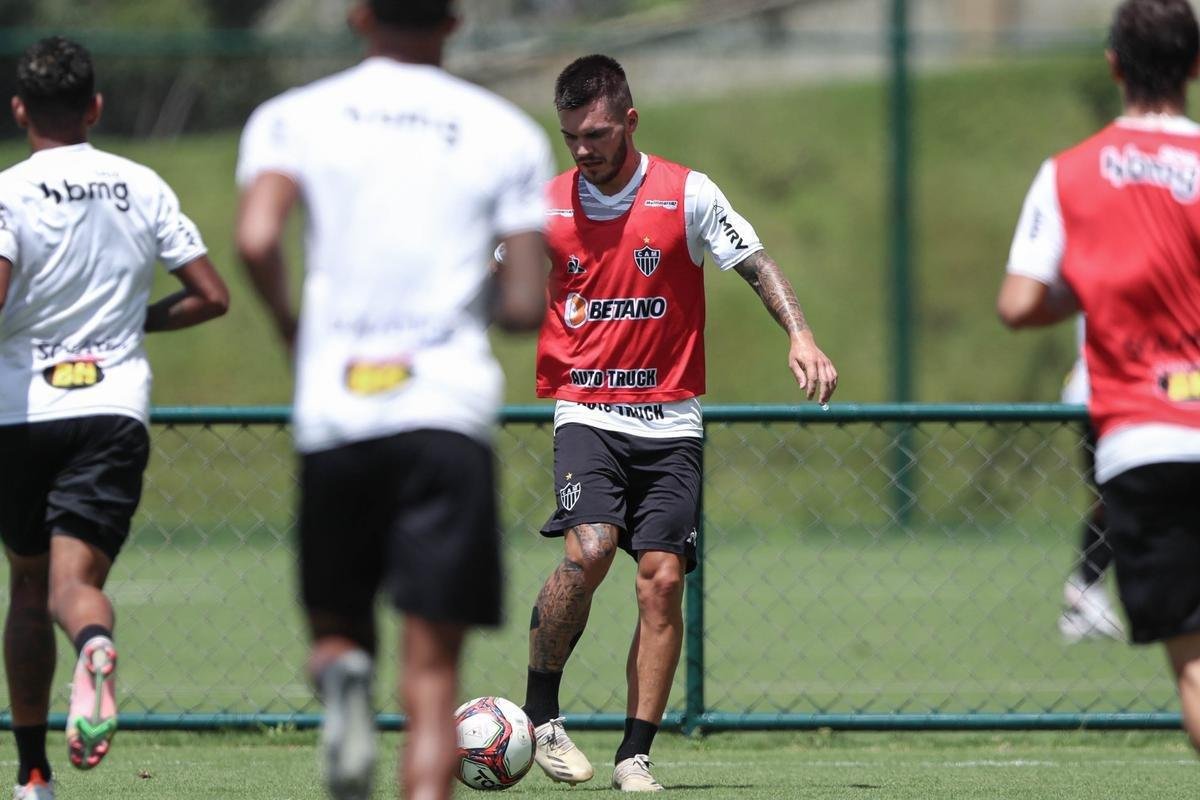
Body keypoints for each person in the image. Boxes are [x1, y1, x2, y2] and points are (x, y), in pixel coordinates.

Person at [234, 2, 551, 798]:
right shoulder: (504, 132)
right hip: (445, 415)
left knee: (339, 630)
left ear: (359, 17)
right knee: (433, 676)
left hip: (339, 412)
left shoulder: (291, 118)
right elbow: (523, 308)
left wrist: (291, 329)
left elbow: (257, 237)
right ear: (452, 20)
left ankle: (341, 676)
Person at [516, 55, 837, 792]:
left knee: (661, 581)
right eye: (570, 137)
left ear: (629, 120)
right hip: (587, 412)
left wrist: (800, 334)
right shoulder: (544, 207)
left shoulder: (687, 195)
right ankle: (541, 716)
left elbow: (754, 260)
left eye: (595, 133)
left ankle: (634, 755)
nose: (583, 149)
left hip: (671, 423)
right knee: (591, 549)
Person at [0, 37, 229, 800]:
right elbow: (210, 294)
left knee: (28, 587)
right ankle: (95, 644)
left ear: (20, 109)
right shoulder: (141, 185)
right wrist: (130, 329)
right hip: (112, 408)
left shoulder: (8, 192)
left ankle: (33, 775)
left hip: (22, 410)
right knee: (76, 585)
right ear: (95, 107)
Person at [998, 0, 1200, 755]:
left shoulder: (1068, 173)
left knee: (1193, 669)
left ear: (1114, 65)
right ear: (1196, 65)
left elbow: (1018, 303)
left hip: (1144, 442)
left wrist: (1103, 282)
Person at [1057, 317, 1124, 643]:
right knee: (1116, 494)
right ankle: (1087, 584)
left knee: (1116, 495)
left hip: (1138, 392)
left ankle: (1086, 586)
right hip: (1110, 393)